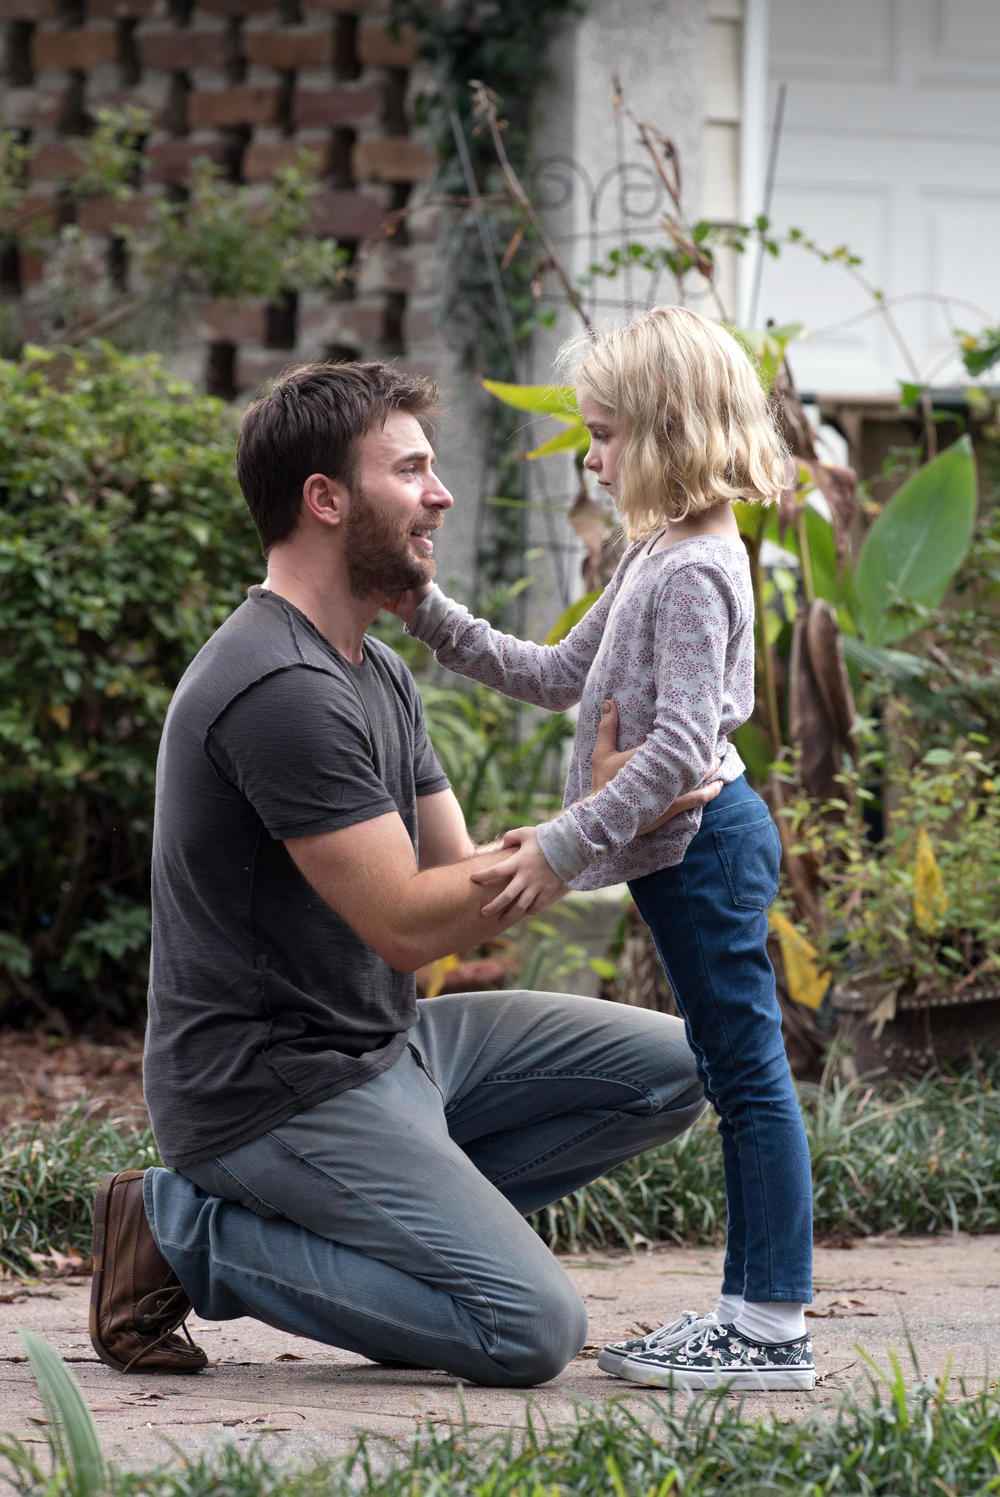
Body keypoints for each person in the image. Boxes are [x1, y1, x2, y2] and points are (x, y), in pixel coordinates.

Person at [88, 359, 717, 1387]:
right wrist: (592, 823)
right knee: (530, 1330)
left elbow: (460, 878)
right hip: (272, 1092)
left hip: (389, 1050)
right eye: (412, 470)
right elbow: (409, 925)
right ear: (325, 501)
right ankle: (181, 1234)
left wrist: (595, 821)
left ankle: (399, 1228)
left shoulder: (371, 667)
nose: (441, 494)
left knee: (689, 1062)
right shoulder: (278, 687)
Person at [390, 305, 816, 1392]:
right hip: (680, 853)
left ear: (668, 431)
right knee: (736, 1071)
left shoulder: (690, 570)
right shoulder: (657, 551)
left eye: (609, 433)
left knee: (749, 1079)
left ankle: (767, 1324)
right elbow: (557, 672)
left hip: (706, 850)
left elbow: (681, 742)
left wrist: (566, 848)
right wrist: (429, 612)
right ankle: (749, 1310)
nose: (593, 454)